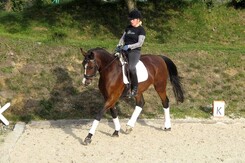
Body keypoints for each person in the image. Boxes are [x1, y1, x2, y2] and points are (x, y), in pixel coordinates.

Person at [116, 9, 146, 98]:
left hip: (134, 51)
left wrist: (129, 46)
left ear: (138, 19)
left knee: (131, 68)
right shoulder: (128, 28)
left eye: (132, 19)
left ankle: (135, 88)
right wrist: (119, 45)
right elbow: (122, 38)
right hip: (124, 50)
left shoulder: (141, 30)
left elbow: (140, 43)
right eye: (130, 20)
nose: (131, 21)